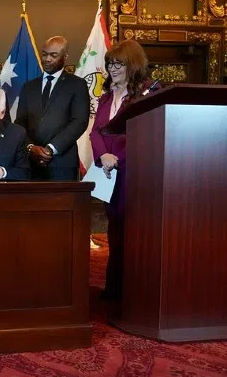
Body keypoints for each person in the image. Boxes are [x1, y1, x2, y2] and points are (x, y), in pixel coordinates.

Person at [90, 39, 160, 302]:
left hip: (134, 174)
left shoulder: (148, 94)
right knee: (115, 231)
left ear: (133, 64)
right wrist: (103, 156)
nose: (112, 68)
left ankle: (133, 292)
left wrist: (117, 157)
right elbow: (95, 132)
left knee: (134, 234)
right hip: (108, 174)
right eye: (110, 64)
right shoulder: (106, 97)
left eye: (118, 63)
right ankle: (114, 288)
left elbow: (147, 133)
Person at [15, 36, 90, 180]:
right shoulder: (28, 87)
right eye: (44, 54)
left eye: (53, 55)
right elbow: (20, 122)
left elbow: (79, 122)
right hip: (30, 162)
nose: (47, 59)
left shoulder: (77, 85)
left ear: (65, 56)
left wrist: (51, 149)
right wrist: (30, 147)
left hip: (63, 162)